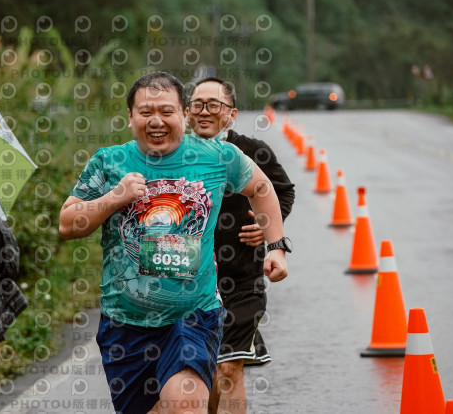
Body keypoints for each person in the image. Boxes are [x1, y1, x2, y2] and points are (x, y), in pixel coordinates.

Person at [59, 71, 289, 414]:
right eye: (146, 112)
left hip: (192, 315)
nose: (156, 121)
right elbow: (68, 224)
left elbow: (261, 188)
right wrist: (114, 198)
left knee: (185, 405)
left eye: (166, 111)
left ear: (184, 114)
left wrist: (276, 247)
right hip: (124, 322)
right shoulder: (110, 162)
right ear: (130, 118)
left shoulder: (218, 156)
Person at [187, 78, 295, 413]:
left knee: (230, 367)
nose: (205, 111)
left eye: (214, 105)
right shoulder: (174, 155)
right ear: (187, 112)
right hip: (187, 282)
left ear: (231, 114)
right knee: (201, 373)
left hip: (241, 278)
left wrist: (267, 231)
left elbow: (282, 192)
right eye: (198, 104)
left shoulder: (251, 150)